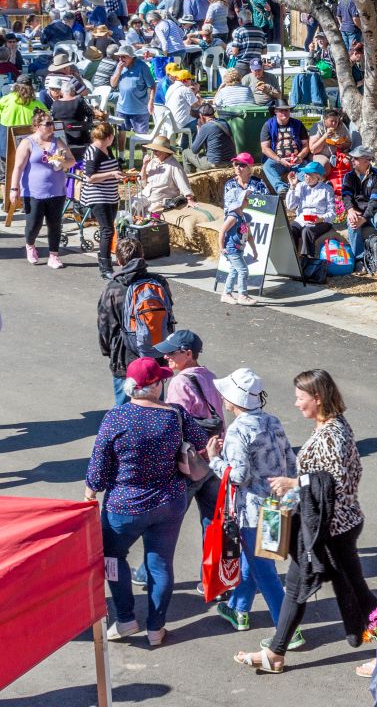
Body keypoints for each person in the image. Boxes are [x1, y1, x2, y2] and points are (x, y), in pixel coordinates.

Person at [239, 370, 377, 673]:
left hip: (332, 530)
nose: (296, 403)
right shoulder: (333, 425)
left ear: (317, 398)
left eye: (300, 398)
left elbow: (336, 481)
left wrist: (295, 483)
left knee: (355, 591)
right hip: (328, 526)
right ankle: (276, 653)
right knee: (300, 587)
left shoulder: (332, 434)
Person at [85, 357, 204, 647]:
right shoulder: (175, 415)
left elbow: (99, 466)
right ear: (154, 386)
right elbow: (201, 442)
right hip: (169, 502)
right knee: (160, 564)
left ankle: (125, 618)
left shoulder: (116, 417)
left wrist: (90, 492)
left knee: (113, 558)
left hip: (123, 507)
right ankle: (155, 628)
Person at [205, 367, 299, 645]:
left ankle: (288, 631)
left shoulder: (237, 431)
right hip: (277, 507)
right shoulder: (273, 421)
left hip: (251, 512)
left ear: (234, 401)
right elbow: (291, 462)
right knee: (255, 562)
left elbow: (237, 476)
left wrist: (214, 459)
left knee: (265, 573)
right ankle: (238, 609)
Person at [98, 237, 174, 406]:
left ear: (118, 260)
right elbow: (168, 318)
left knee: (124, 406)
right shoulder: (159, 282)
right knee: (156, 403)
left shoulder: (114, 288)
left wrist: (108, 351)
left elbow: (105, 325)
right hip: (156, 352)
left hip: (125, 355)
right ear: (143, 256)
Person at [10, 110, 75, 268]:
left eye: (52, 123)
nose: (52, 126)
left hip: (56, 190)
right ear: (37, 126)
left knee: (55, 224)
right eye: (48, 124)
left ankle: (54, 256)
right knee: (34, 224)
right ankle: (30, 245)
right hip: (33, 192)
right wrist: (14, 188)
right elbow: (18, 167)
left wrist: (61, 163)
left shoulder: (57, 141)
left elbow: (72, 161)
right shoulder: (27, 143)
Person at [81, 122, 123, 279]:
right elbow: (90, 178)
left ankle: (104, 261)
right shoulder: (93, 152)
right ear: (110, 137)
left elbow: (111, 167)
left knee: (109, 229)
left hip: (111, 195)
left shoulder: (107, 148)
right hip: (97, 195)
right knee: (107, 230)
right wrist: (112, 174)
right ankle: (105, 267)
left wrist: (118, 172)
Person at [339, 145, 377, 267]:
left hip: (374, 211)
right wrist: (350, 210)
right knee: (352, 222)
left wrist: (364, 218)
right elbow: (346, 195)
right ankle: (359, 260)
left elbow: (375, 201)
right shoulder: (349, 176)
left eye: (356, 158)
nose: (352, 160)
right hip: (356, 210)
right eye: (352, 158)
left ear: (366, 160)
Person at [283, 160, 336, 258]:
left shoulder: (327, 189)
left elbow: (332, 212)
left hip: (321, 221)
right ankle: (291, 258)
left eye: (309, 174)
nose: (306, 176)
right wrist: (292, 186)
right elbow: (290, 206)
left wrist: (321, 218)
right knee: (291, 229)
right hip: (302, 219)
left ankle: (307, 259)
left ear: (318, 177)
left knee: (307, 231)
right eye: (305, 174)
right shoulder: (300, 186)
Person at [259, 101, 310, 193]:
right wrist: (279, 160)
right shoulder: (268, 125)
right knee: (267, 166)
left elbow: (306, 145)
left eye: (286, 110)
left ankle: (309, 186)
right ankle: (281, 189)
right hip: (277, 160)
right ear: (275, 111)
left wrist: (299, 157)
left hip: (296, 160)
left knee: (308, 170)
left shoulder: (298, 124)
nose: (284, 113)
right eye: (281, 110)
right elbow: (265, 148)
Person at [183, 102, 235, 172]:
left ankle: (190, 179)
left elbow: (194, 150)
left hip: (215, 163)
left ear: (201, 116)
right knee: (202, 156)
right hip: (229, 161)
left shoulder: (206, 127)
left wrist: (199, 131)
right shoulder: (224, 122)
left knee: (186, 153)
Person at [48, 77, 94, 155]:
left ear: (62, 92)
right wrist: (88, 126)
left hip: (62, 139)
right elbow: (90, 113)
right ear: (73, 91)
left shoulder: (55, 104)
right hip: (81, 138)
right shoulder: (80, 101)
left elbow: (51, 118)